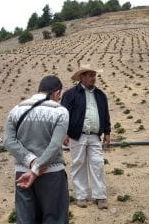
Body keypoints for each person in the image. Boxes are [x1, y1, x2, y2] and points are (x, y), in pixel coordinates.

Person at [4, 75, 69, 224]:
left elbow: (8, 141)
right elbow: (54, 145)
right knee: (54, 217)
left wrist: (30, 161)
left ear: (39, 89)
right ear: (57, 93)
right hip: (52, 174)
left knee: (25, 218)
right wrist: (37, 167)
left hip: (22, 173)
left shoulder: (16, 109)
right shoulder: (60, 111)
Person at [61, 66, 111, 209]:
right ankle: (81, 196)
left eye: (94, 75)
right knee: (78, 164)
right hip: (77, 136)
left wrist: (107, 132)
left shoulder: (101, 95)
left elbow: (105, 114)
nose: (93, 78)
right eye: (90, 75)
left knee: (98, 164)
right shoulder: (70, 94)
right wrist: (65, 132)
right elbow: (64, 114)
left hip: (95, 136)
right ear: (82, 77)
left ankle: (100, 196)